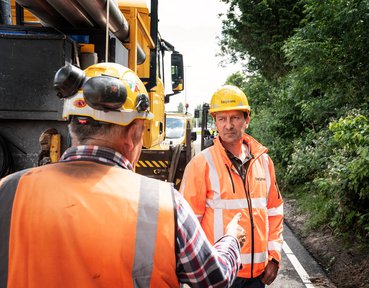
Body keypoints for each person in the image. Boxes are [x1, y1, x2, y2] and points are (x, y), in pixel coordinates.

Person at [0, 63, 246, 287]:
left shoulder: (7, 191)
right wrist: (232, 239)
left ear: (72, 126)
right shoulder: (164, 205)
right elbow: (215, 278)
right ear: (132, 135)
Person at [180, 85, 284, 287]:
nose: (228, 125)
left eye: (235, 118)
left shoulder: (264, 162)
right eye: (222, 119)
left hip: (258, 276)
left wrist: (274, 256)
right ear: (215, 123)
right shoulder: (200, 165)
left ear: (247, 119)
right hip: (219, 274)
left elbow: (274, 210)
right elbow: (187, 228)